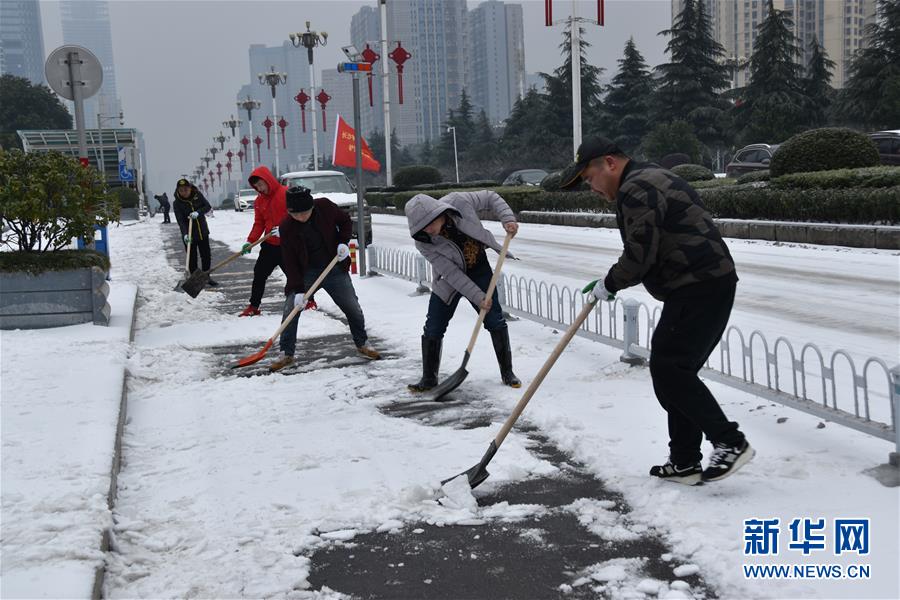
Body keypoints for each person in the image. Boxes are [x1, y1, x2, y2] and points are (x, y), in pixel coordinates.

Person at [559, 135, 753, 484]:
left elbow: (639, 255)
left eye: (589, 177)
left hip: (699, 285)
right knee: (674, 371)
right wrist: (613, 280)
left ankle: (729, 441)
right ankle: (684, 461)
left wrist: (610, 283)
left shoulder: (637, 188)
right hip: (702, 283)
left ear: (610, 163)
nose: (591, 187)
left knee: (670, 369)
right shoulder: (645, 178)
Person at [404, 190, 521, 392]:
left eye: (430, 223)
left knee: (494, 320)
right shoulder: (423, 242)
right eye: (422, 227)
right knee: (433, 326)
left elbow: (490, 197)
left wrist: (507, 218)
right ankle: (429, 378)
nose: (429, 230)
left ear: (439, 213)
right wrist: (478, 297)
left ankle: (507, 372)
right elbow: (451, 273)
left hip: (479, 269)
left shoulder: (459, 201)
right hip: (449, 280)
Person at [268, 186, 380, 371]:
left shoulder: (325, 207)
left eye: (305, 212)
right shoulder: (287, 227)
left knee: (352, 307)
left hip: (334, 267)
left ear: (312, 207)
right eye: (297, 214)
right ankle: (286, 353)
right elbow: (290, 261)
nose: (302, 217)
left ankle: (363, 343)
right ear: (289, 212)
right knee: (291, 310)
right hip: (306, 273)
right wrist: (297, 290)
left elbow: (345, 221)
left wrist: (343, 242)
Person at [237, 166, 288, 317]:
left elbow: (296, 216)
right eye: (256, 186)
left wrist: (285, 230)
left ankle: (308, 301)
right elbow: (259, 223)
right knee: (259, 274)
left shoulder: (285, 193)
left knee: (295, 275)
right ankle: (254, 306)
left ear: (268, 180)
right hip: (270, 245)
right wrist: (250, 241)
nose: (259, 188)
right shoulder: (259, 201)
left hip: (288, 245)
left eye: (261, 184)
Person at [173, 178, 218, 287]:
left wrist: (198, 212)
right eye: (181, 190)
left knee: (206, 256)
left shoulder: (197, 195)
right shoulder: (177, 203)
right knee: (192, 259)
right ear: (178, 191)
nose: (184, 192)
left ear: (190, 188)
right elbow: (180, 220)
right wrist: (185, 234)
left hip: (202, 231)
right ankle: (196, 281)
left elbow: (207, 206)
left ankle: (206, 277)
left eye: (186, 189)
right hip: (189, 234)